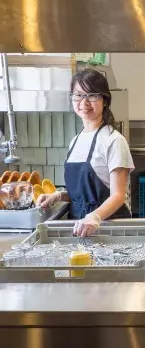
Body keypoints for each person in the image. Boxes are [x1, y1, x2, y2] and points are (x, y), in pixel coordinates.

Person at [37, 68, 134, 237]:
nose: (84, 102)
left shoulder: (114, 140)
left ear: (104, 100)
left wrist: (95, 217)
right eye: (78, 95)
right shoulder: (75, 141)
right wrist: (59, 196)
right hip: (80, 229)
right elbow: (83, 196)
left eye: (92, 95)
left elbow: (118, 196)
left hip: (109, 229)